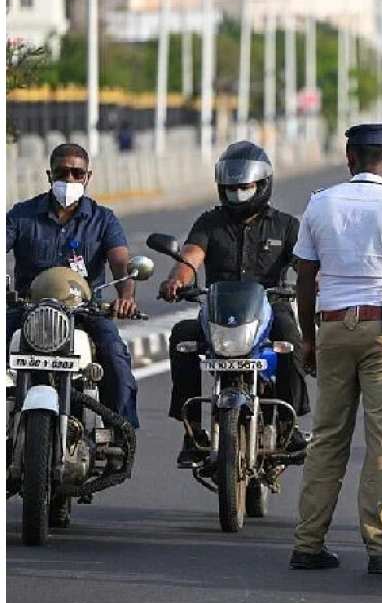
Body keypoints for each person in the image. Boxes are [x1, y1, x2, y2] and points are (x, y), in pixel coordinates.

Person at [288, 123, 382, 575]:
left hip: (332, 328)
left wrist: (309, 338)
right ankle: (381, 549)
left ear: (349, 158)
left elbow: (305, 279)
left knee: (328, 438)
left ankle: (308, 543)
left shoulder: (321, 203)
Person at [159, 141, 310, 466]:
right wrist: (176, 281)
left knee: (293, 342)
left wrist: (314, 284)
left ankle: (288, 424)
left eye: (244, 187)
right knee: (181, 336)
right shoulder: (209, 224)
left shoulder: (285, 226)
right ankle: (193, 429)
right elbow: (190, 259)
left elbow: (304, 265)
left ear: (262, 184)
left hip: (270, 309)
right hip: (219, 313)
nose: (237, 194)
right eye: (231, 188)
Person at [6, 143, 141, 428]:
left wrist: (126, 296)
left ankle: (121, 433)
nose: (69, 179)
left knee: (116, 358)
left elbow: (120, 263)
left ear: (87, 177)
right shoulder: (21, 215)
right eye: (61, 172)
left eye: (76, 173)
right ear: (49, 175)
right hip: (28, 309)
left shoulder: (103, 219)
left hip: (85, 312)